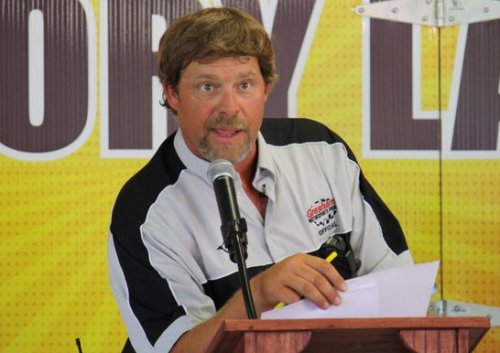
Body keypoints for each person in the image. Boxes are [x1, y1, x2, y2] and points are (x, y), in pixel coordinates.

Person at [107, 7, 413, 353]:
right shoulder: (144, 212)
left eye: (245, 85)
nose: (230, 106)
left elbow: (398, 284)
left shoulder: (322, 150)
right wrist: (259, 294)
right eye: (208, 86)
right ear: (173, 94)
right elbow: (173, 349)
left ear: (266, 89)